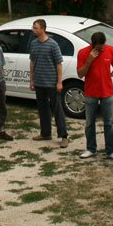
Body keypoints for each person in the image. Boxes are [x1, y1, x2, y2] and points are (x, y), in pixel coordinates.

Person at [76, 31, 113, 160]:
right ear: (93, 45)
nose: (102, 49)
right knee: (89, 123)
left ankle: (111, 150)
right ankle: (90, 149)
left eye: (103, 46)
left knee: (109, 122)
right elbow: (80, 74)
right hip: (91, 93)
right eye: (99, 47)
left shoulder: (110, 50)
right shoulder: (83, 53)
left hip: (107, 92)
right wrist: (89, 60)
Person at [28, 18, 69, 148]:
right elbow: (32, 62)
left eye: (35, 27)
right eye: (33, 27)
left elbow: (59, 64)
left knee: (57, 109)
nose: (33, 29)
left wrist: (59, 82)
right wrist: (32, 80)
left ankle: (63, 136)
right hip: (39, 83)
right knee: (42, 109)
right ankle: (45, 133)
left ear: (43, 29)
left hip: (51, 83)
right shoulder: (34, 44)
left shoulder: (53, 44)